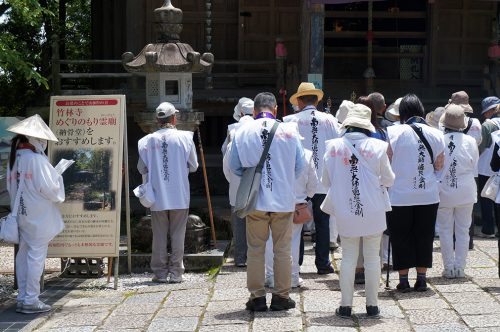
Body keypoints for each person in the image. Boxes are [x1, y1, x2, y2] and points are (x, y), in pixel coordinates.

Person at [230, 92, 306, 312]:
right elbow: (300, 166)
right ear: (275, 110)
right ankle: (282, 297)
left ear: (254, 111)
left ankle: (257, 297)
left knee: (255, 249)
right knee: (282, 250)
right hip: (283, 200)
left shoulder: (243, 131)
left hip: (255, 201)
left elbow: (235, 166)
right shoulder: (289, 131)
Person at [322, 103, 395, 318]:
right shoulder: (378, 146)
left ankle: (345, 305)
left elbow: (326, 182)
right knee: (373, 257)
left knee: (348, 257)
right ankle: (372, 305)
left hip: (346, 209)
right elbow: (389, 179)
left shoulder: (332, 146)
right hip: (373, 209)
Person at [6, 114, 65, 314]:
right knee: (36, 256)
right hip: (38, 215)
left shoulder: (15, 158)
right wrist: (58, 177)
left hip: (21, 214)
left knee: (23, 255)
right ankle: (31, 299)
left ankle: (23, 296)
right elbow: (50, 190)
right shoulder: (37, 160)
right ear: (36, 139)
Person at [386, 94, 445, 292]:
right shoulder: (436, 134)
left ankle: (403, 280)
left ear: (402, 113)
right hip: (428, 195)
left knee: (400, 235)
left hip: (399, 195)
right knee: (424, 235)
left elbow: (387, 163)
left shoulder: (393, 132)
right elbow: (439, 166)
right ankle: (421, 278)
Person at [137, 102, 198, 284]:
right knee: (178, 234)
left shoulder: (147, 141)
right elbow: (193, 166)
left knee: (159, 234)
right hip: (179, 193)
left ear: (157, 119)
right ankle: (176, 273)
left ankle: (160, 273)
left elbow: (141, 168)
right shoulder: (185, 138)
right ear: (174, 118)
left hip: (157, 196)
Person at [284, 82, 340, 275]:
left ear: (299, 101)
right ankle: (323, 263)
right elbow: (336, 147)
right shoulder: (330, 120)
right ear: (316, 100)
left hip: (297, 179)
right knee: (323, 222)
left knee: (297, 219)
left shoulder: (290, 120)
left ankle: (296, 262)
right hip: (324, 178)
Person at [264, 148, 318, 288]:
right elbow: (313, 185)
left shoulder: (272, 151)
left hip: (273, 202)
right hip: (296, 205)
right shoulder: (306, 154)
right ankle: (293, 276)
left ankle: (271, 276)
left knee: (270, 239)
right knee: (293, 240)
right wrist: (305, 196)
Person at [437, 105, 479, 279]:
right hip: (466, 190)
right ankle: (460, 268)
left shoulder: (439, 139)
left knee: (445, 230)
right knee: (463, 230)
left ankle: (448, 268)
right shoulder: (470, 141)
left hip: (444, 191)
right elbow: (474, 166)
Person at [222, 98, 254, 267]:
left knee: (239, 222)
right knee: (257, 221)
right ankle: (257, 257)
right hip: (256, 183)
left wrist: (232, 179)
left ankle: (241, 258)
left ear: (240, 113)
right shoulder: (261, 128)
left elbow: (226, 161)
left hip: (236, 182)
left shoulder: (233, 131)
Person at [477, 97, 500, 238]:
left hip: (486, 167)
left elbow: (480, 147)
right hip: (498, 168)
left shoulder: (487, 126)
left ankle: (488, 230)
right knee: (498, 199)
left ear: (492, 110)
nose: (485, 114)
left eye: (486, 112)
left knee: (486, 198)